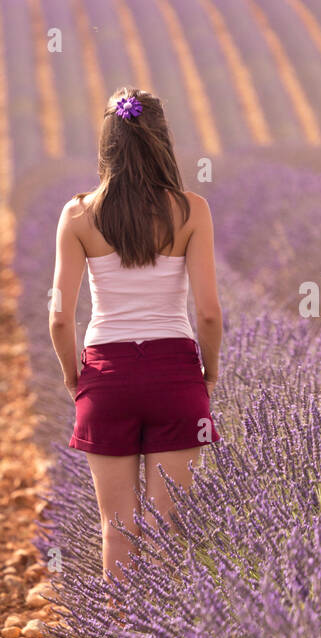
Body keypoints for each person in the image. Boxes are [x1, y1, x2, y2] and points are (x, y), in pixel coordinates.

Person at [48, 87, 223, 581]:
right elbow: (208, 313)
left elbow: (60, 316)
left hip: (107, 378)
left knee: (116, 526)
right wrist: (207, 373)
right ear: (163, 140)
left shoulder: (78, 214)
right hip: (175, 377)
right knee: (172, 527)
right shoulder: (192, 210)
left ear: (107, 145)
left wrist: (72, 378)